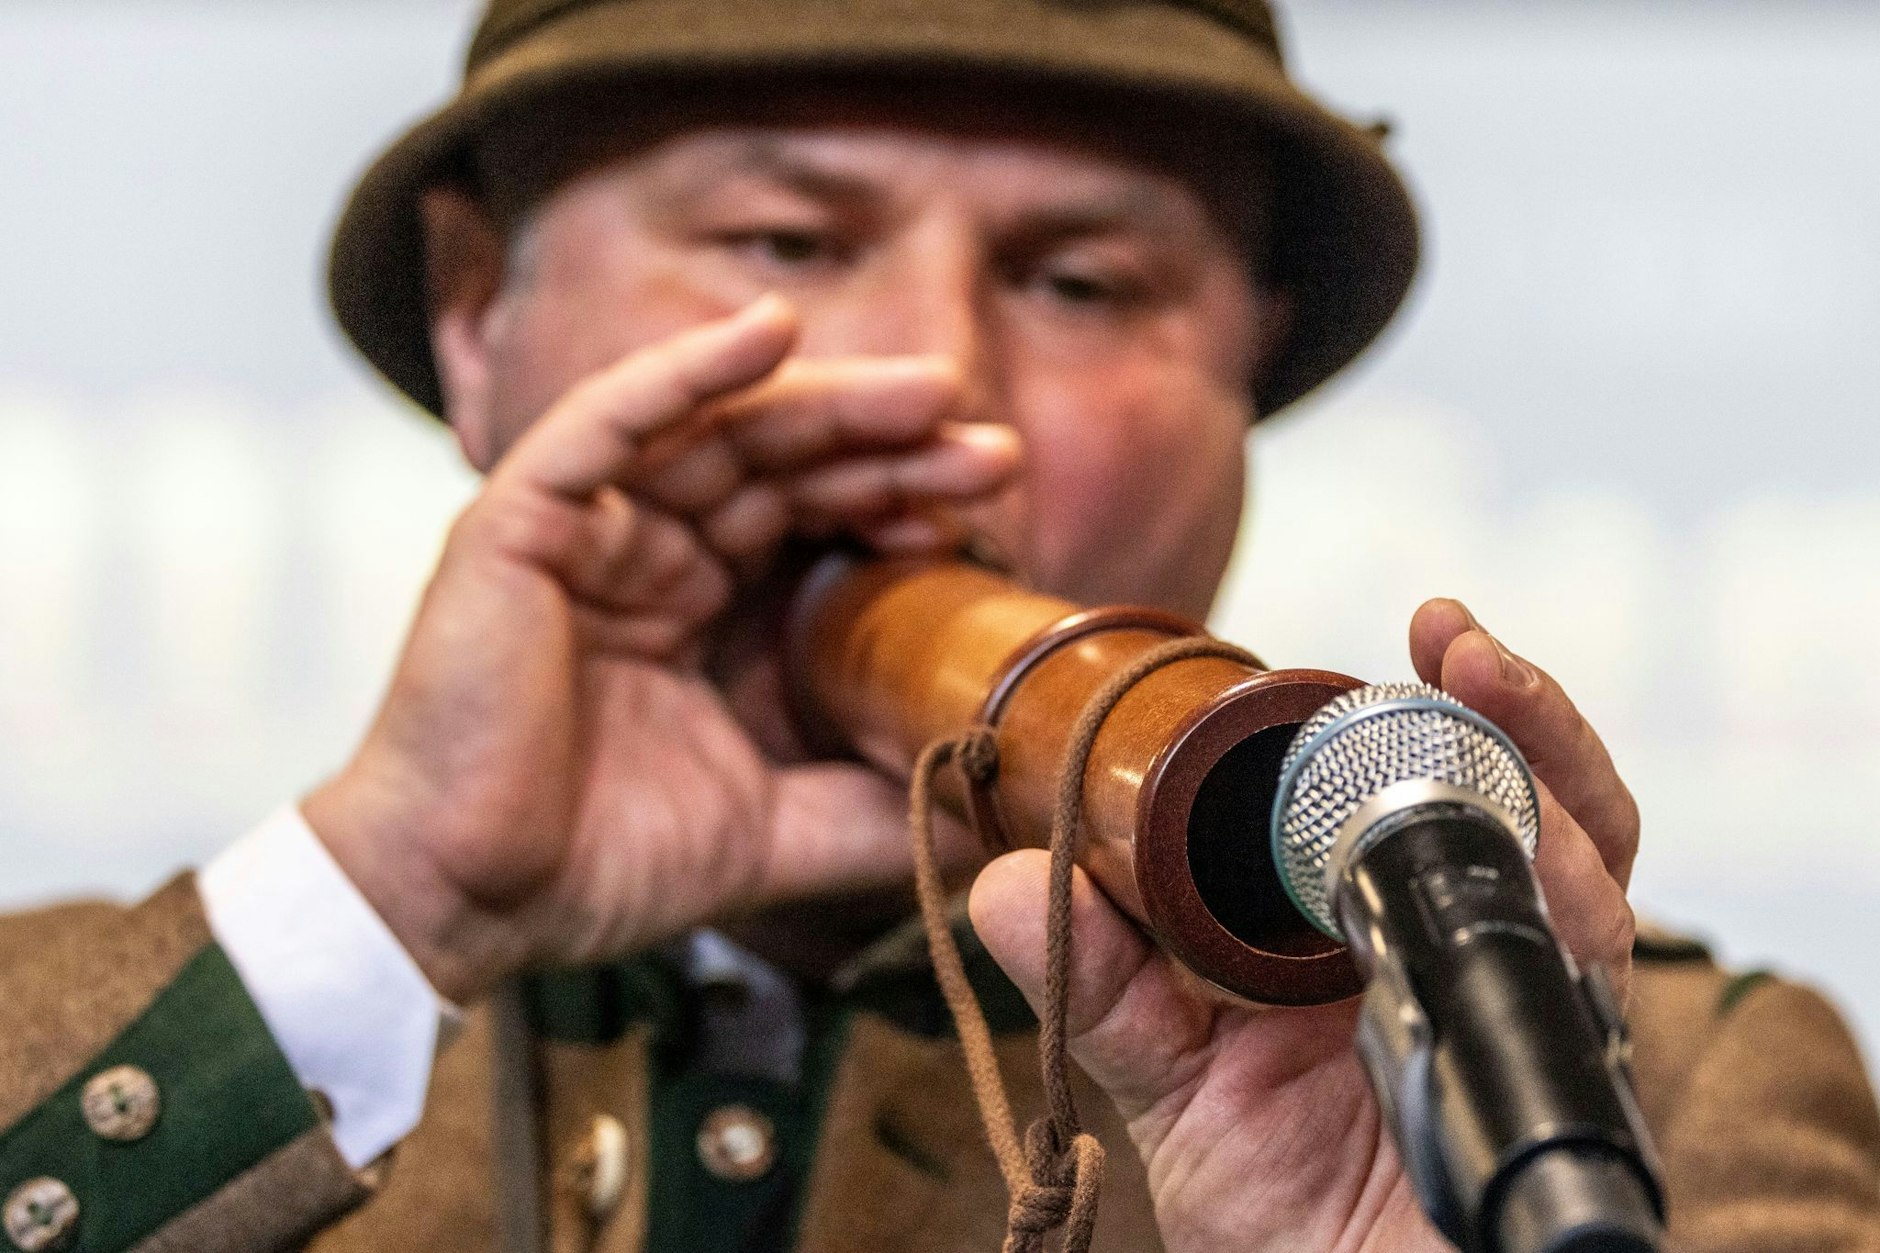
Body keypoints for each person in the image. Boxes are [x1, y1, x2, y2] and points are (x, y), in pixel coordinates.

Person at [2, 0, 1876, 1250]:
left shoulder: (1627, 1106)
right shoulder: (59, 1043)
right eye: (781, 244)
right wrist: (383, 903)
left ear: (1251, 379)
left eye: (1080, 279)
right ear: (480, 314)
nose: (938, 387)